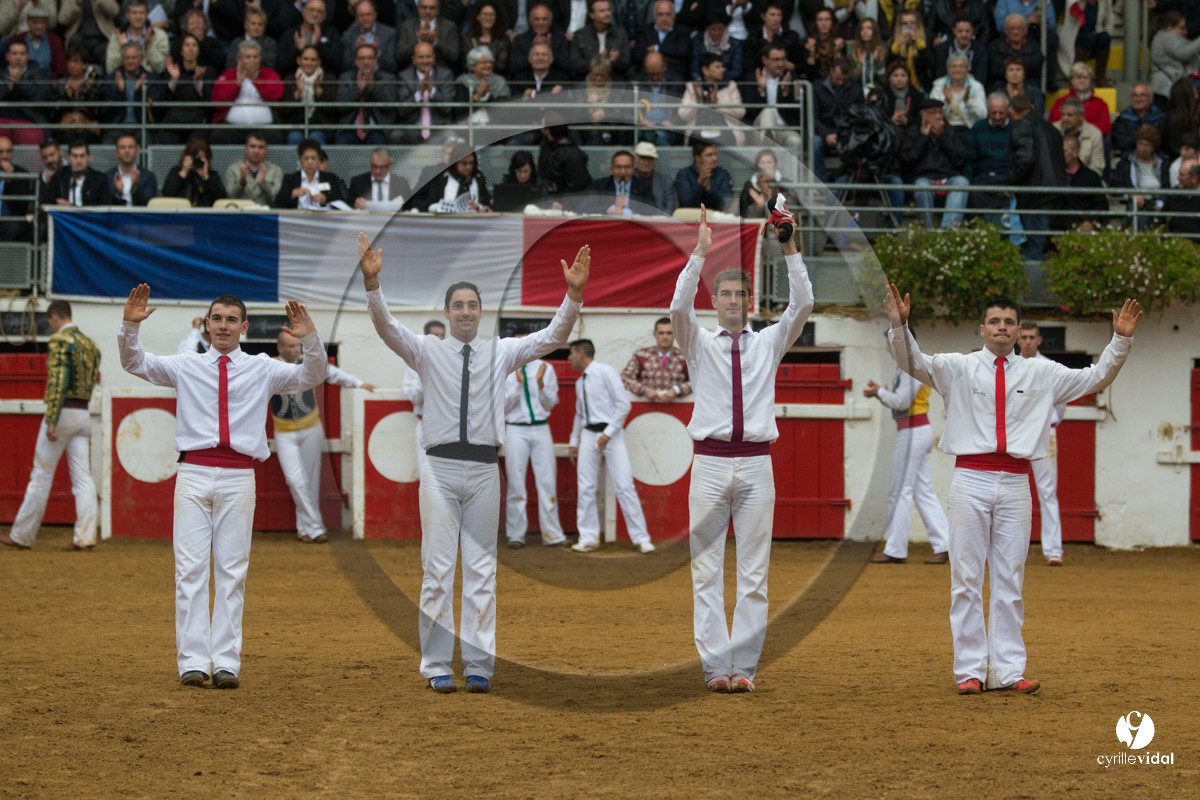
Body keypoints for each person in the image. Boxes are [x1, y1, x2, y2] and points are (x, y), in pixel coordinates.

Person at [357, 230, 589, 695]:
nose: (465, 311)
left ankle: (480, 665)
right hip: (440, 470)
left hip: (485, 471)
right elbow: (386, 329)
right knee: (437, 568)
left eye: (472, 305)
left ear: (481, 312)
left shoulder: (501, 351)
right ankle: (437, 663)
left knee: (482, 570)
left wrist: (574, 294)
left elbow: (554, 337)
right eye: (458, 305)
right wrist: (372, 286)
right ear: (447, 313)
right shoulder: (426, 350)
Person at [882, 286, 1143, 694]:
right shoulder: (957, 367)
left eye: (1008, 322)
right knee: (966, 578)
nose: (1001, 328)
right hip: (971, 478)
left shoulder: (1043, 372)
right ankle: (969, 670)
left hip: (1017, 481)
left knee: (1009, 578)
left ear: (1020, 331)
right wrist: (899, 324)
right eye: (994, 322)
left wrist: (1120, 340)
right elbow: (909, 360)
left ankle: (1006, 670)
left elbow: (1095, 378)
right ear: (981, 329)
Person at [119, 286, 327, 689]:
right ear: (208, 324)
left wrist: (310, 338)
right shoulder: (186, 365)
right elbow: (133, 362)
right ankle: (194, 661)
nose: (223, 326)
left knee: (232, 572)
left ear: (244, 327)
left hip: (238, 475)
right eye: (217, 318)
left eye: (232, 320)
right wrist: (130, 326)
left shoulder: (264, 368)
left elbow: (312, 374)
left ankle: (227, 661)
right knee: (190, 571)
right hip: (193, 473)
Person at [670, 200, 813, 693]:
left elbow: (803, 305)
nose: (733, 300)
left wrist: (789, 245)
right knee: (707, 571)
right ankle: (716, 668)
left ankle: (743, 669)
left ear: (749, 302)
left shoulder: (770, 342)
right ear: (716, 302)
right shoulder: (697, 342)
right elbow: (675, 308)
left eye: (740, 294)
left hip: (755, 465)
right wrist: (699, 254)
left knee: (754, 574)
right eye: (725, 294)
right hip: (709, 463)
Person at [0, 300, 99, 551]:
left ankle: (22, 535)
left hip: (63, 413)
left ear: (54, 317)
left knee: (41, 475)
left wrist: (52, 418)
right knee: (83, 477)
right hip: (83, 414)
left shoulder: (60, 341)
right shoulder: (91, 345)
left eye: (50, 322)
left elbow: (58, 381)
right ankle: (85, 536)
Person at [272, 329, 374, 544]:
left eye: (297, 346)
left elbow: (333, 373)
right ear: (280, 348)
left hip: (311, 428)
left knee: (310, 481)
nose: (295, 349)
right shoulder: (269, 365)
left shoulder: (307, 362)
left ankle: (305, 529)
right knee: (295, 481)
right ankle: (315, 526)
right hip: (283, 432)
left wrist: (358, 383)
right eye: (290, 346)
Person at [863, 347, 951, 565]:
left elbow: (901, 402)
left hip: (912, 432)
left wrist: (880, 393)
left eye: (891, 343)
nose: (889, 348)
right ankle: (945, 544)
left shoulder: (912, 367)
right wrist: (881, 394)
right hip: (915, 430)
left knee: (900, 490)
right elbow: (900, 401)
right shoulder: (907, 367)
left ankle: (895, 548)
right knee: (922, 491)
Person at [566, 338, 655, 555]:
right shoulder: (580, 382)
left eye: (570, 354)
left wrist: (608, 433)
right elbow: (580, 414)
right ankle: (588, 537)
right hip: (589, 434)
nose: (568, 359)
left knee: (624, 485)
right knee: (586, 486)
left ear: (580, 353)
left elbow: (623, 405)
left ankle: (641, 538)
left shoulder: (605, 372)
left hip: (611, 434)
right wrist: (573, 442)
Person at [503, 347, 566, 549]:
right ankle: (515, 534)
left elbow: (550, 403)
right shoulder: (505, 369)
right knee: (515, 481)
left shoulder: (545, 368)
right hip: (515, 429)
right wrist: (519, 387)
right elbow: (501, 406)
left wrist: (539, 386)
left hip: (540, 428)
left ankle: (552, 534)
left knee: (547, 480)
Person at [1015, 322, 1067, 566]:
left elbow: (1061, 404)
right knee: (1010, 489)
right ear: (1018, 339)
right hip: (1017, 434)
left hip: (1044, 433)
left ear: (1039, 340)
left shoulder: (1049, 368)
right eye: (1023, 337)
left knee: (1047, 490)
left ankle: (1053, 549)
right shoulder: (1010, 365)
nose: (1027, 341)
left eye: (1031, 337)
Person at [1008, 94, 1065, 258]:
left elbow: (1025, 159)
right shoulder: (1051, 128)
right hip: (1054, 190)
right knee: (1039, 241)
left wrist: (1011, 182)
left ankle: (1034, 283)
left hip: (1034, 192)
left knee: (1033, 244)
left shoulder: (1022, 125)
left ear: (1012, 111)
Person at [899, 98, 970, 229]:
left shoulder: (950, 130)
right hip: (924, 178)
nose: (938, 116)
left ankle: (948, 231)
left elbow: (961, 158)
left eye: (940, 112)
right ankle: (927, 231)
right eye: (933, 112)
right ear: (923, 115)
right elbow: (907, 161)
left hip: (948, 177)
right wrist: (923, 137)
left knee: (962, 182)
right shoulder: (913, 131)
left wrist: (942, 137)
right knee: (921, 186)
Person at [211, 40, 285, 145]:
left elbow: (276, 95)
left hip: (264, 128)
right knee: (218, 136)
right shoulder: (228, 75)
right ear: (239, 59)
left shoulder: (269, 74)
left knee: (276, 136)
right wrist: (237, 84)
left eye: (255, 57)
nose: (252, 60)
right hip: (233, 128)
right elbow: (218, 102)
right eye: (248, 57)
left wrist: (255, 80)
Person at [402, 320, 444, 477]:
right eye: (435, 336)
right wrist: (424, 373)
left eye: (442, 336)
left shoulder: (453, 362)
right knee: (427, 475)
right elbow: (414, 398)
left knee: (449, 477)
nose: (439, 339)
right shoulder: (415, 364)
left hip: (450, 427)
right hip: (426, 424)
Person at [1110, 124, 1171, 231]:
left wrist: (1160, 203)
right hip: (1136, 204)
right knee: (1141, 217)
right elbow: (1116, 184)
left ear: (1153, 147)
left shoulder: (1164, 163)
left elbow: (1168, 187)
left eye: (1147, 145)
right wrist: (1131, 195)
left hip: (1159, 204)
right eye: (1140, 144)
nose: (1142, 148)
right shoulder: (1126, 163)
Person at [334, 42, 397, 145]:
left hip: (378, 129)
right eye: (361, 58)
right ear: (356, 61)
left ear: (376, 60)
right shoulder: (346, 78)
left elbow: (389, 105)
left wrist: (373, 87)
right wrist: (358, 90)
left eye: (370, 58)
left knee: (378, 144)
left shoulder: (388, 78)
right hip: (350, 128)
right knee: (342, 143)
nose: (366, 62)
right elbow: (341, 106)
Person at [679, 52, 746, 148]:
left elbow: (740, 112)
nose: (722, 70)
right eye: (717, 67)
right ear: (705, 70)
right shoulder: (692, 87)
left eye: (722, 67)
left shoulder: (730, 86)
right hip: (698, 131)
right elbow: (683, 115)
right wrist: (697, 101)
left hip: (725, 131)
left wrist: (718, 104)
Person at [394, 41, 456, 144]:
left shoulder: (446, 75)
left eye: (428, 57)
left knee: (452, 135)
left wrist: (432, 90)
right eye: (420, 57)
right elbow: (401, 110)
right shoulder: (404, 76)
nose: (425, 61)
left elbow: (448, 108)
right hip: (412, 128)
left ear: (434, 57)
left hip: (439, 127)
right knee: (396, 135)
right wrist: (420, 93)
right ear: (413, 59)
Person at [741, 42, 799, 149]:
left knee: (795, 141)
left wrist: (786, 93)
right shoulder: (752, 78)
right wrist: (761, 91)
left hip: (783, 128)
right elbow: (749, 111)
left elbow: (797, 113)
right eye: (776, 60)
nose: (781, 64)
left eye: (783, 59)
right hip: (758, 129)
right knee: (768, 112)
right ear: (765, 60)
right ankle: (768, 148)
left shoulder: (791, 78)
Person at [160, 35, 215, 146]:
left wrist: (198, 83)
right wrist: (174, 80)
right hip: (174, 121)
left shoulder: (207, 72)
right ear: (181, 51)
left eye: (194, 45)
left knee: (196, 144)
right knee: (167, 139)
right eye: (187, 45)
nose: (190, 49)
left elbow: (209, 102)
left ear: (198, 51)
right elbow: (162, 101)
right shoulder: (171, 71)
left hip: (197, 121)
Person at [621, 316, 691, 402]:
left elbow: (698, 380)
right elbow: (623, 378)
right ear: (655, 334)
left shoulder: (684, 357)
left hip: (677, 409)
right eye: (661, 333)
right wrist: (644, 389)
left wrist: (676, 390)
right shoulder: (641, 355)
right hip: (646, 409)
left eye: (669, 333)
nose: (665, 337)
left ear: (675, 334)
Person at [406, 143, 492, 212]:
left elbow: (486, 202)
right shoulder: (441, 177)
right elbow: (430, 203)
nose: (468, 167)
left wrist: (480, 208)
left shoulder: (478, 178)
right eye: (464, 163)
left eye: (471, 163)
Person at [0, 39, 55, 144]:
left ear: (28, 56)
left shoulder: (39, 73)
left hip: (29, 120)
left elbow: (42, 97)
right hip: (2, 118)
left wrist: (21, 82)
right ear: (7, 56)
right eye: (14, 53)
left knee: (32, 139)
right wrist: (9, 86)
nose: (18, 57)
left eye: (22, 53)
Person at [281, 44, 336, 146]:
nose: (309, 63)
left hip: (320, 125)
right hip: (296, 124)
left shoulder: (329, 79)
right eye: (305, 59)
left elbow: (333, 109)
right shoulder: (290, 79)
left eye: (313, 60)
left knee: (316, 138)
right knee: (294, 138)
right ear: (298, 60)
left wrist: (318, 91)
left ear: (319, 62)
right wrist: (298, 92)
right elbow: (284, 110)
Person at [993, 0, 1057, 88]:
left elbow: (1052, 25)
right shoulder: (1004, 1)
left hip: (1035, 36)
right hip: (1008, 41)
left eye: (1018, 28)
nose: (1016, 32)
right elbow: (1000, 26)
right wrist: (1027, 21)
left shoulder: (1045, 1)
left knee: (1051, 37)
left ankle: (1049, 80)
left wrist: (1040, 21)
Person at [632, 0, 692, 84]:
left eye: (668, 14)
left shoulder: (683, 31)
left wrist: (657, 49)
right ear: (653, 16)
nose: (664, 18)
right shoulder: (644, 31)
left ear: (674, 16)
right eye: (660, 14)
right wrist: (670, 58)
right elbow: (639, 55)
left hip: (675, 76)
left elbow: (682, 52)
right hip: (648, 75)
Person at [277, 137, 346, 209]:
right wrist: (294, 193)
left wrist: (324, 199)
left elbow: (341, 200)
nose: (310, 162)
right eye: (306, 158)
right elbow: (278, 202)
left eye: (313, 158)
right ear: (299, 159)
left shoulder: (330, 178)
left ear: (319, 158)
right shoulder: (290, 179)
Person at [578, 149, 654, 215]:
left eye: (627, 167)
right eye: (618, 167)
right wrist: (609, 210)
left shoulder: (644, 186)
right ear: (612, 168)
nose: (622, 172)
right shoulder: (601, 185)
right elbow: (585, 208)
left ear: (633, 169)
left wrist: (628, 212)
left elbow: (652, 210)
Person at [277, 0, 343, 76]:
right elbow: (281, 66)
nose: (315, 14)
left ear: (325, 15)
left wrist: (318, 45)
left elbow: (336, 64)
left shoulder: (331, 33)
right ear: (303, 11)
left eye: (319, 11)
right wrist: (297, 51)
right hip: (294, 81)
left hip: (323, 81)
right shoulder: (290, 34)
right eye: (311, 10)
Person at [1059, 129, 1107, 232]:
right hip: (1058, 228)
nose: (1059, 154)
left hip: (1084, 229)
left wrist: (1090, 221)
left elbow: (1101, 205)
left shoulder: (1091, 177)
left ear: (1076, 153)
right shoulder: (1054, 176)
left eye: (1064, 151)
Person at [1150, 12, 1200, 109]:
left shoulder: (1164, 38)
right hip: (1166, 88)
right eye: (1181, 28)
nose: (1185, 31)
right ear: (1169, 27)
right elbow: (1183, 53)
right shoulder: (1166, 37)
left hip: (1168, 86)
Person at [1048, 62, 1112, 139]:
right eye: (1078, 77)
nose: (1082, 81)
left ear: (1091, 80)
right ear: (1071, 80)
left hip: (1091, 139)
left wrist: (1082, 129)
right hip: (1065, 138)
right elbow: (1053, 124)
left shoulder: (1100, 103)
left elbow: (1105, 128)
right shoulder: (1061, 101)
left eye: (1085, 77)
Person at [569, 0, 630, 78]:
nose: (607, 14)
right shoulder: (580, 35)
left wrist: (614, 61)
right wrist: (602, 61)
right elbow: (575, 65)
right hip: (587, 81)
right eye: (602, 11)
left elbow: (626, 63)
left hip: (613, 80)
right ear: (591, 15)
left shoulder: (620, 33)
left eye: (608, 10)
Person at [1059, 0, 1113, 86]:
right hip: (1075, 39)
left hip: (1094, 38)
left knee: (1105, 37)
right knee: (1089, 38)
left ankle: (1100, 78)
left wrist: (1109, 33)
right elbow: (1073, 12)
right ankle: (1076, 76)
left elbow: (1109, 19)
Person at [104, 0, 166, 74]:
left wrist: (149, 47)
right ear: (127, 15)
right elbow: (111, 69)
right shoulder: (117, 37)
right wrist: (125, 47)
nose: (138, 17)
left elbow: (160, 68)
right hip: (123, 80)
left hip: (149, 81)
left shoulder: (159, 36)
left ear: (147, 14)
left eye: (141, 13)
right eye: (134, 13)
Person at [509, 2, 570, 78]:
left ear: (550, 21)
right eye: (536, 19)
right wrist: (533, 50)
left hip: (554, 83)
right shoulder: (520, 40)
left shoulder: (560, 39)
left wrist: (549, 49)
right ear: (530, 21)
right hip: (526, 83)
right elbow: (513, 67)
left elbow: (567, 66)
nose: (540, 23)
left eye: (544, 19)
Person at [222, 132, 284, 207]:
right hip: (240, 214)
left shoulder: (276, 171)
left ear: (266, 150)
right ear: (245, 149)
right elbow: (228, 197)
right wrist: (241, 182)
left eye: (261, 147)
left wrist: (264, 185)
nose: (256, 151)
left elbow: (279, 201)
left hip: (266, 215)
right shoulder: (232, 170)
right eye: (252, 146)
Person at [395, 0, 460, 71]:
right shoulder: (407, 26)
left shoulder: (449, 27)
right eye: (424, 7)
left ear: (438, 9)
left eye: (432, 8)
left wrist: (435, 41)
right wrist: (419, 40)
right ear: (418, 8)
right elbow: (399, 55)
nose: (427, 11)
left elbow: (454, 55)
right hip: (411, 73)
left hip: (442, 73)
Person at [161, 138, 226, 207]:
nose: (197, 161)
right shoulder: (177, 172)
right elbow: (167, 194)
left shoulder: (212, 176)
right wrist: (183, 173)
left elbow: (221, 200)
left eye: (201, 158)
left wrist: (206, 178)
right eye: (195, 157)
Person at [988, 14, 1044, 93]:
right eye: (1012, 28)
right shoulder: (996, 45)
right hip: (1001, 83)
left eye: (1019, 28)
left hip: (1028, 83)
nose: (1015, 32)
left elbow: (1036, 64)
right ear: (1005, 30)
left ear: (1025, 30)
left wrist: (1010, 62)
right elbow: (996, 68)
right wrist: (1021, 63)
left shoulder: (1033, 45)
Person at [1052, 96, 1106, 177]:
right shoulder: (1053, 130)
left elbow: (1097, 168)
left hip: (1086, 181)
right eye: (1063, 114)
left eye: (1070, 115)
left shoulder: (1094, 134)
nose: (1065, 119)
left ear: (1081, 116)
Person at [931, 53, 987, 129]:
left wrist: (968, 101)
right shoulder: (939, 86)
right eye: (954, 66)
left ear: (967, 69)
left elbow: (983, 115)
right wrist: (946, 101)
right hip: (944, 129)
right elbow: (932, 114)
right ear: (947, 69)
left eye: (961, 66)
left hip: (969, 128)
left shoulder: (976, 87)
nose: (957, 70)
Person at [675, 140, 733, 212]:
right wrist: (699, 185)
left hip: (716, 219)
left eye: (715, 154)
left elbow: (726, 204)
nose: (715, 158)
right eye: (709, 155)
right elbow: (686, 204)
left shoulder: (723, 174)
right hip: (690, 219)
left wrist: (709, 188)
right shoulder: (684, 175)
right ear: (697, 158)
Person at [342, 0, 398, 73]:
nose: (365, 18)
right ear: (356, 17)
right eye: (361, 15)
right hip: (356, 77)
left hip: (381, 78)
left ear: (375, 15)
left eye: (368, 15)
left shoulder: (389, 34)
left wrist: (378, 53)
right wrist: (356, 52)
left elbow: (392, 66)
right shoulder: (348, 36)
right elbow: (345, 66)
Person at [1112, 83, 1166, 158]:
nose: (1138, 99)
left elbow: (1164, 142)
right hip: (1130, 157)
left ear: (1151, 98)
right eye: (1135, 95)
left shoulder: (1160, 118)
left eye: (1142, 95)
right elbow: (1120, 142)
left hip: (1157, 157)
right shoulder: (1123, 119)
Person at [48, 139, 106, 206]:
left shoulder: (99, 179)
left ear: (89, 157)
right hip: (65, 216)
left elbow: (105, 207)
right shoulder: (59, 176)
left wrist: (71, 206)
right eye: (75, 156)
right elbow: (47, 202)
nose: (78, 160)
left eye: (82, 156)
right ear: (68, 158)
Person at [690, 9, 743, 83]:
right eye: (713, 29)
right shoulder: (698, 42)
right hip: (703, 83)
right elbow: (694, 69)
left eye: (720, 29)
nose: (716, 33)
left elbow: (737, 71)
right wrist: (705, 82)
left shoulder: (734, 44)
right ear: (707, 28)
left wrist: (717, 75)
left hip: (726, 83)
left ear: (725, 27)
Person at [104, 132, 156, 205]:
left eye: (131, 147)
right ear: (116, 152)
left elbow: (149, 205)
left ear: (137, 151)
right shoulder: (108, 176)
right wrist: (118, 194)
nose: (127, 151)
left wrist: (135, 189)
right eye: (122, 147)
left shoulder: (148, 176)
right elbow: (106, 205)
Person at [13, 6, 65, 78]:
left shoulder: (55, 41)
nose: (39, 26)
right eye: (35, 23)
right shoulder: (18, 39)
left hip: (47, 83)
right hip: (21, 81)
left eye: (43, 23)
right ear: (28, 23)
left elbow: (59, 70)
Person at [888, 8, 931, 91]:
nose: (908, 27)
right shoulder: (893, 43)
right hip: (899, 89)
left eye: (912, 23)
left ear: (918, 25)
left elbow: (930, 64)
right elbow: (889, 67)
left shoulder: (926, 41)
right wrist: (897, 45)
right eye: (904, 23)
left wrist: (918, 43)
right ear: (899, 26)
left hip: (921, 88)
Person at [227, 6, 280, 72]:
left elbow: (270, 66)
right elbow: (230, 65)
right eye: (253, 23)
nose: (256, 27)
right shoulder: (236, 42)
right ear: (245, 25)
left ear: (264, 27)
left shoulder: (270, 44)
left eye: (260, 24)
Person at [464, 1, 510, 75]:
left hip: (496, 79)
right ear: (478, 16)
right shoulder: (468, 39)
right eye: (485, 14)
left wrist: (481, 66)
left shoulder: (503, 39)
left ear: (496, 17)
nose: (488, 18)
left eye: (491, 15)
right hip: (472, 78)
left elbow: (502, 65)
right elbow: (465, 63)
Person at [632, 140, 674, 215]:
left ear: (655, 161)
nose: (646, 162)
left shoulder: (666, 181)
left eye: (650, 159)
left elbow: (669, 210)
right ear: (635, 160)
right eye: (643, 158)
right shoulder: (628, 179)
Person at [1163, 158, 1200, 237]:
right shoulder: (1174, 194)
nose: (1177, 178)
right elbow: (1163, 219)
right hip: (1174, 242)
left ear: (1194, 179)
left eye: (1182, 175)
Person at [848, 15, 886, 91]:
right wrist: (861, 65)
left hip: (877, 91)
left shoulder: (882, 50)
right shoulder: (852, 51)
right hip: (858, 92)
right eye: (862, 29)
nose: (865, 31)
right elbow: (852, 79)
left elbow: (883, 80)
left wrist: (877, 61)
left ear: (875, 31)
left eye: (869, 28)